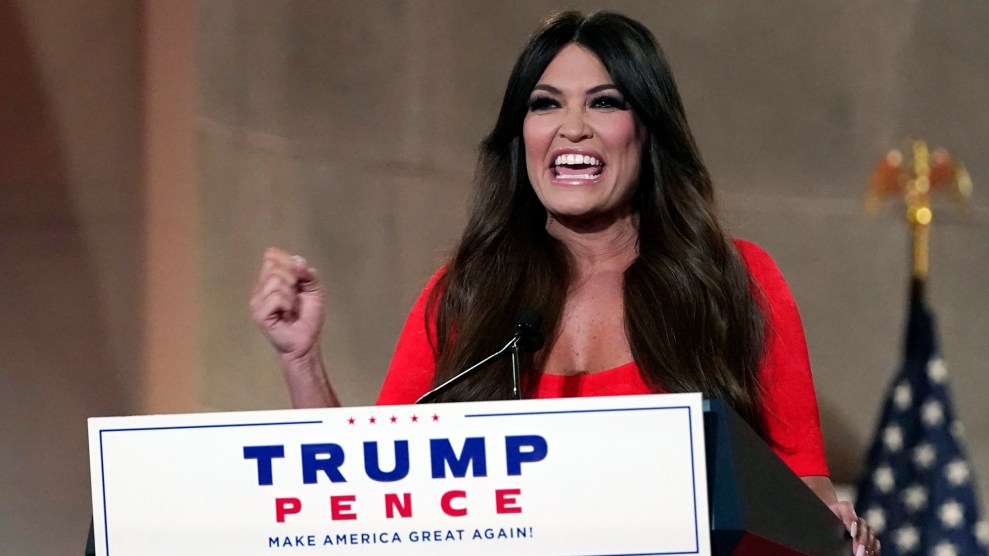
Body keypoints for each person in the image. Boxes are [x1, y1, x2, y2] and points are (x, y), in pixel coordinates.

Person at [250, 10, 879, 556]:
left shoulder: (733, 281)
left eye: (604, 102)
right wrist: (302, 359)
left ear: (648, 130)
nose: (571, 127)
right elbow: (368, 492)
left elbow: (805, 494)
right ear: (520, 134)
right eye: (545, 104)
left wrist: (840, 535)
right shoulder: (465, 295)